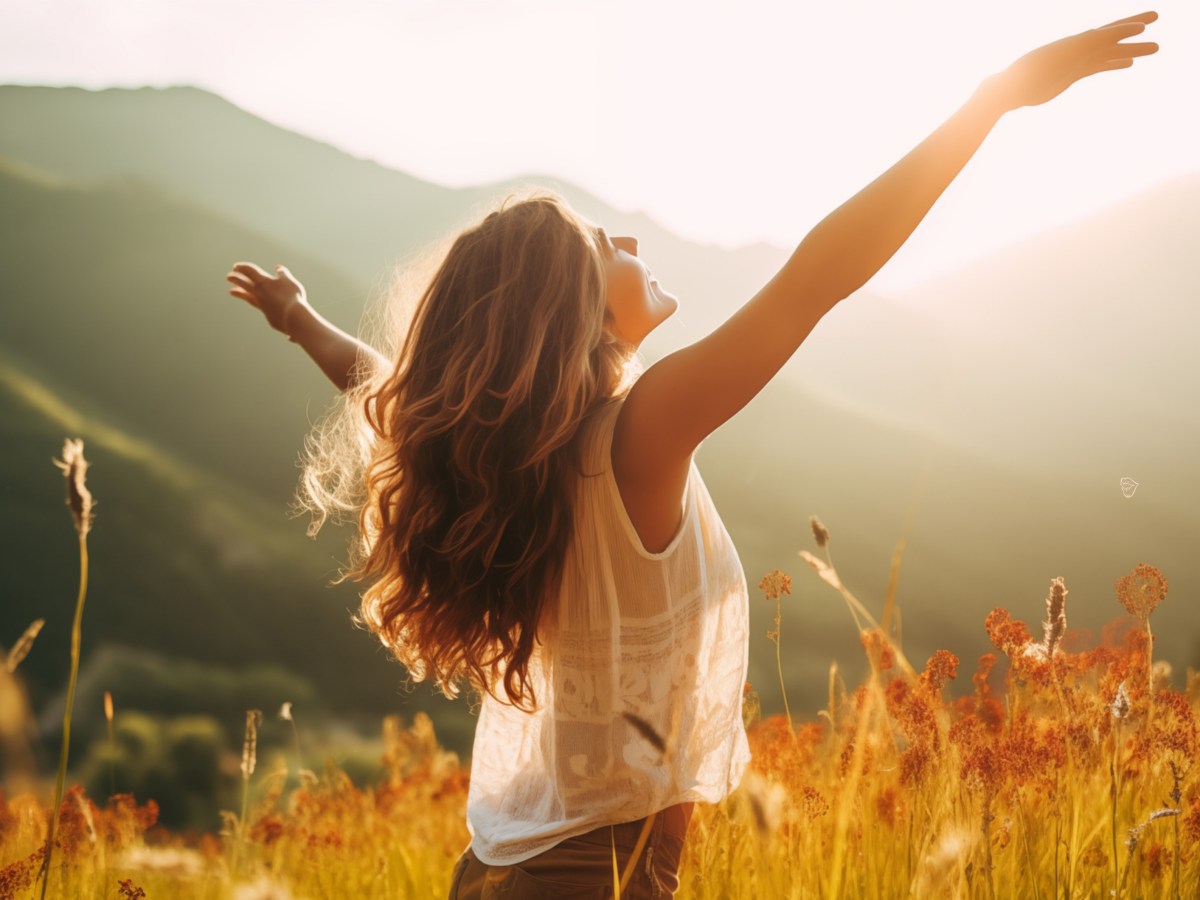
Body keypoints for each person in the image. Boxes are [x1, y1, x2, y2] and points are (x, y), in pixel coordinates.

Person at [225, 12, 1157, 898]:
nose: (630, 239)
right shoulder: (639, 434)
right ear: (575, 315)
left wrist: (304, 324)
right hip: (592, 875)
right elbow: (816, 277)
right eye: (605, 246)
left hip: (507, 864)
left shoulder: (521, 454)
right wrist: (990, 101)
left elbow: (407, 398)